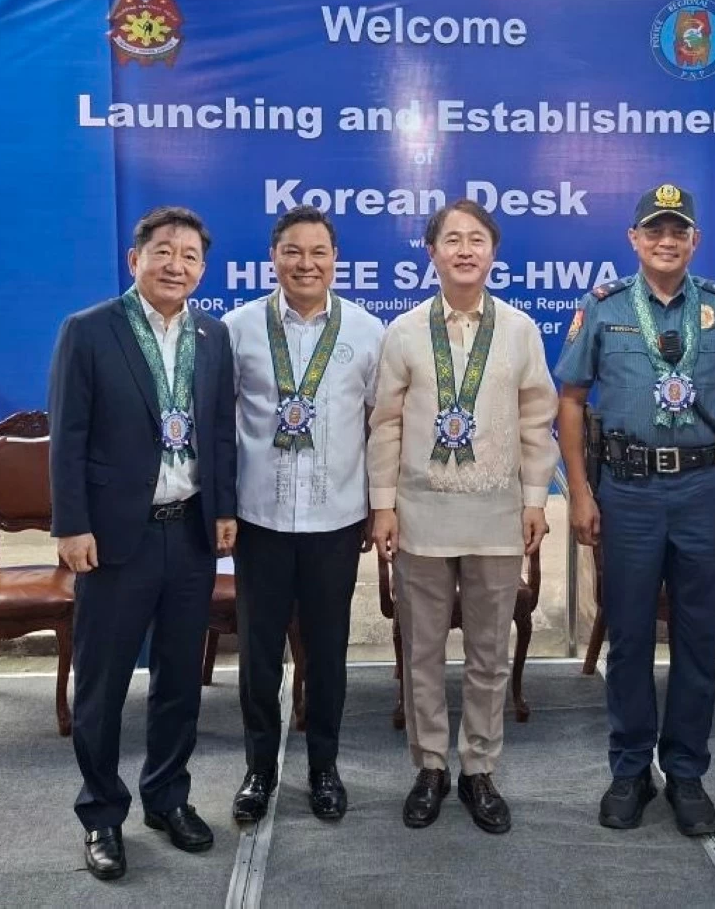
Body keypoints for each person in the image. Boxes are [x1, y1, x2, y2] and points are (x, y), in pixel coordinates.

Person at [554, 182, 715, 836]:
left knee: (698, 637)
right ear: (634, 240)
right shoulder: (602, 308)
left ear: (694, 241)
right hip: (627, 492)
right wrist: (579, 491)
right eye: (654, 230)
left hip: (705, 494)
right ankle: (629, 771)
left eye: (678, 230)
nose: (666, 240)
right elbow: (570, 401)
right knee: (626, 637)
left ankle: (686, 772)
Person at [49, 206, 237, 882]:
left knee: (180, 681)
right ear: (136, 259)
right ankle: (102, 815)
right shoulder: (90, 331)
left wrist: (224, 510)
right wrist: (71, 525)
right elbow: (67, 437)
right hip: (112, 540)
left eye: (190, 256)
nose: (176, 265)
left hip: (188, 534)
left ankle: (167, 799)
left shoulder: (212, 337)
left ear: (202, 270)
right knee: (101, 686)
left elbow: (216, 433)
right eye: (163, 251)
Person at [368, 199, 558, 835]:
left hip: (498, 518)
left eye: (477, 239)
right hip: (420, 517)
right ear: (432, 252)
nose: (465, 250)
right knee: (421, 650)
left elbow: (537, 422)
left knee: (488, 653)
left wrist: (535, 500)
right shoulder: (403, 333)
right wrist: (383, 507)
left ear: (493, 253)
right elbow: (386, 425)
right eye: (452, 239)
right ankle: (429, 767)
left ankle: (479, 767)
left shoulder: (521, 331)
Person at [222, 205, 384, 825]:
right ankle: (259, 770)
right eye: (293, 251)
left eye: (318, 252)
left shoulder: (368, 333)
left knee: (327, 652)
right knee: (259, 654)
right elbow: (217, 424)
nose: (306, 264)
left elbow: (379, 425)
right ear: (274, 258)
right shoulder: (236, 329)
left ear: (335, 259)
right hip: (259, 519)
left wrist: (376, 506)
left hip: (336, 521)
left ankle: (324, 768)